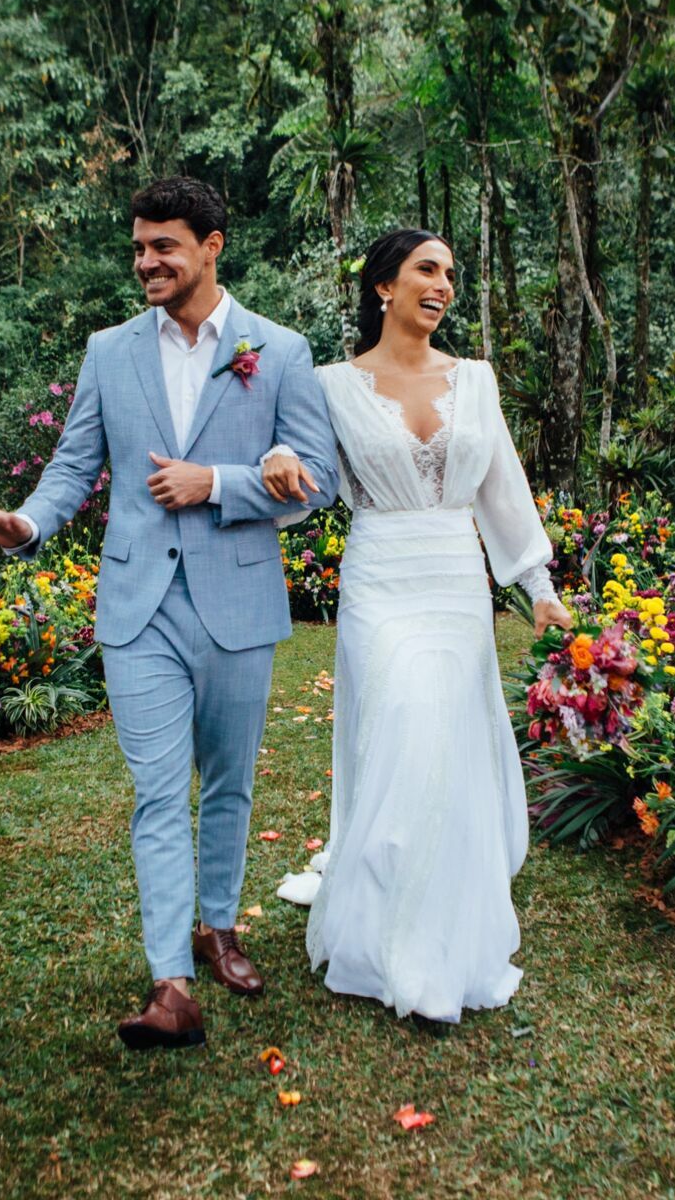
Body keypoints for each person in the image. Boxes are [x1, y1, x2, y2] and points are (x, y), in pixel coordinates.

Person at [0, 177, 340, 1050]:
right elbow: (74, 462)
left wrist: (222, 485)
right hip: (139, 607)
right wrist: (27, 523)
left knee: (227, 785)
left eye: (163, 245)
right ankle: (172, 983)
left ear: (212, 246)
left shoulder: (278, 351)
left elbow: (321, 476)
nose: (146, 262)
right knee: (159, 792)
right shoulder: (108, 351)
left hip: (237, 601)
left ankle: (219, 926)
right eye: (139, 247)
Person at [264, 229, 573, 1023]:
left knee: (446, 737)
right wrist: (276, 462)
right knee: (401, 725)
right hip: (379, 578)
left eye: (450, 274)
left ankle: (440, 929)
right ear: (384, 288)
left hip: (454, 578)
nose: (442, 285)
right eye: (426, 270)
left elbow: (503, 484)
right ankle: (383, 931)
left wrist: (537, 585)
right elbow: (308, 489)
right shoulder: (331, 385)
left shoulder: (476, 379)